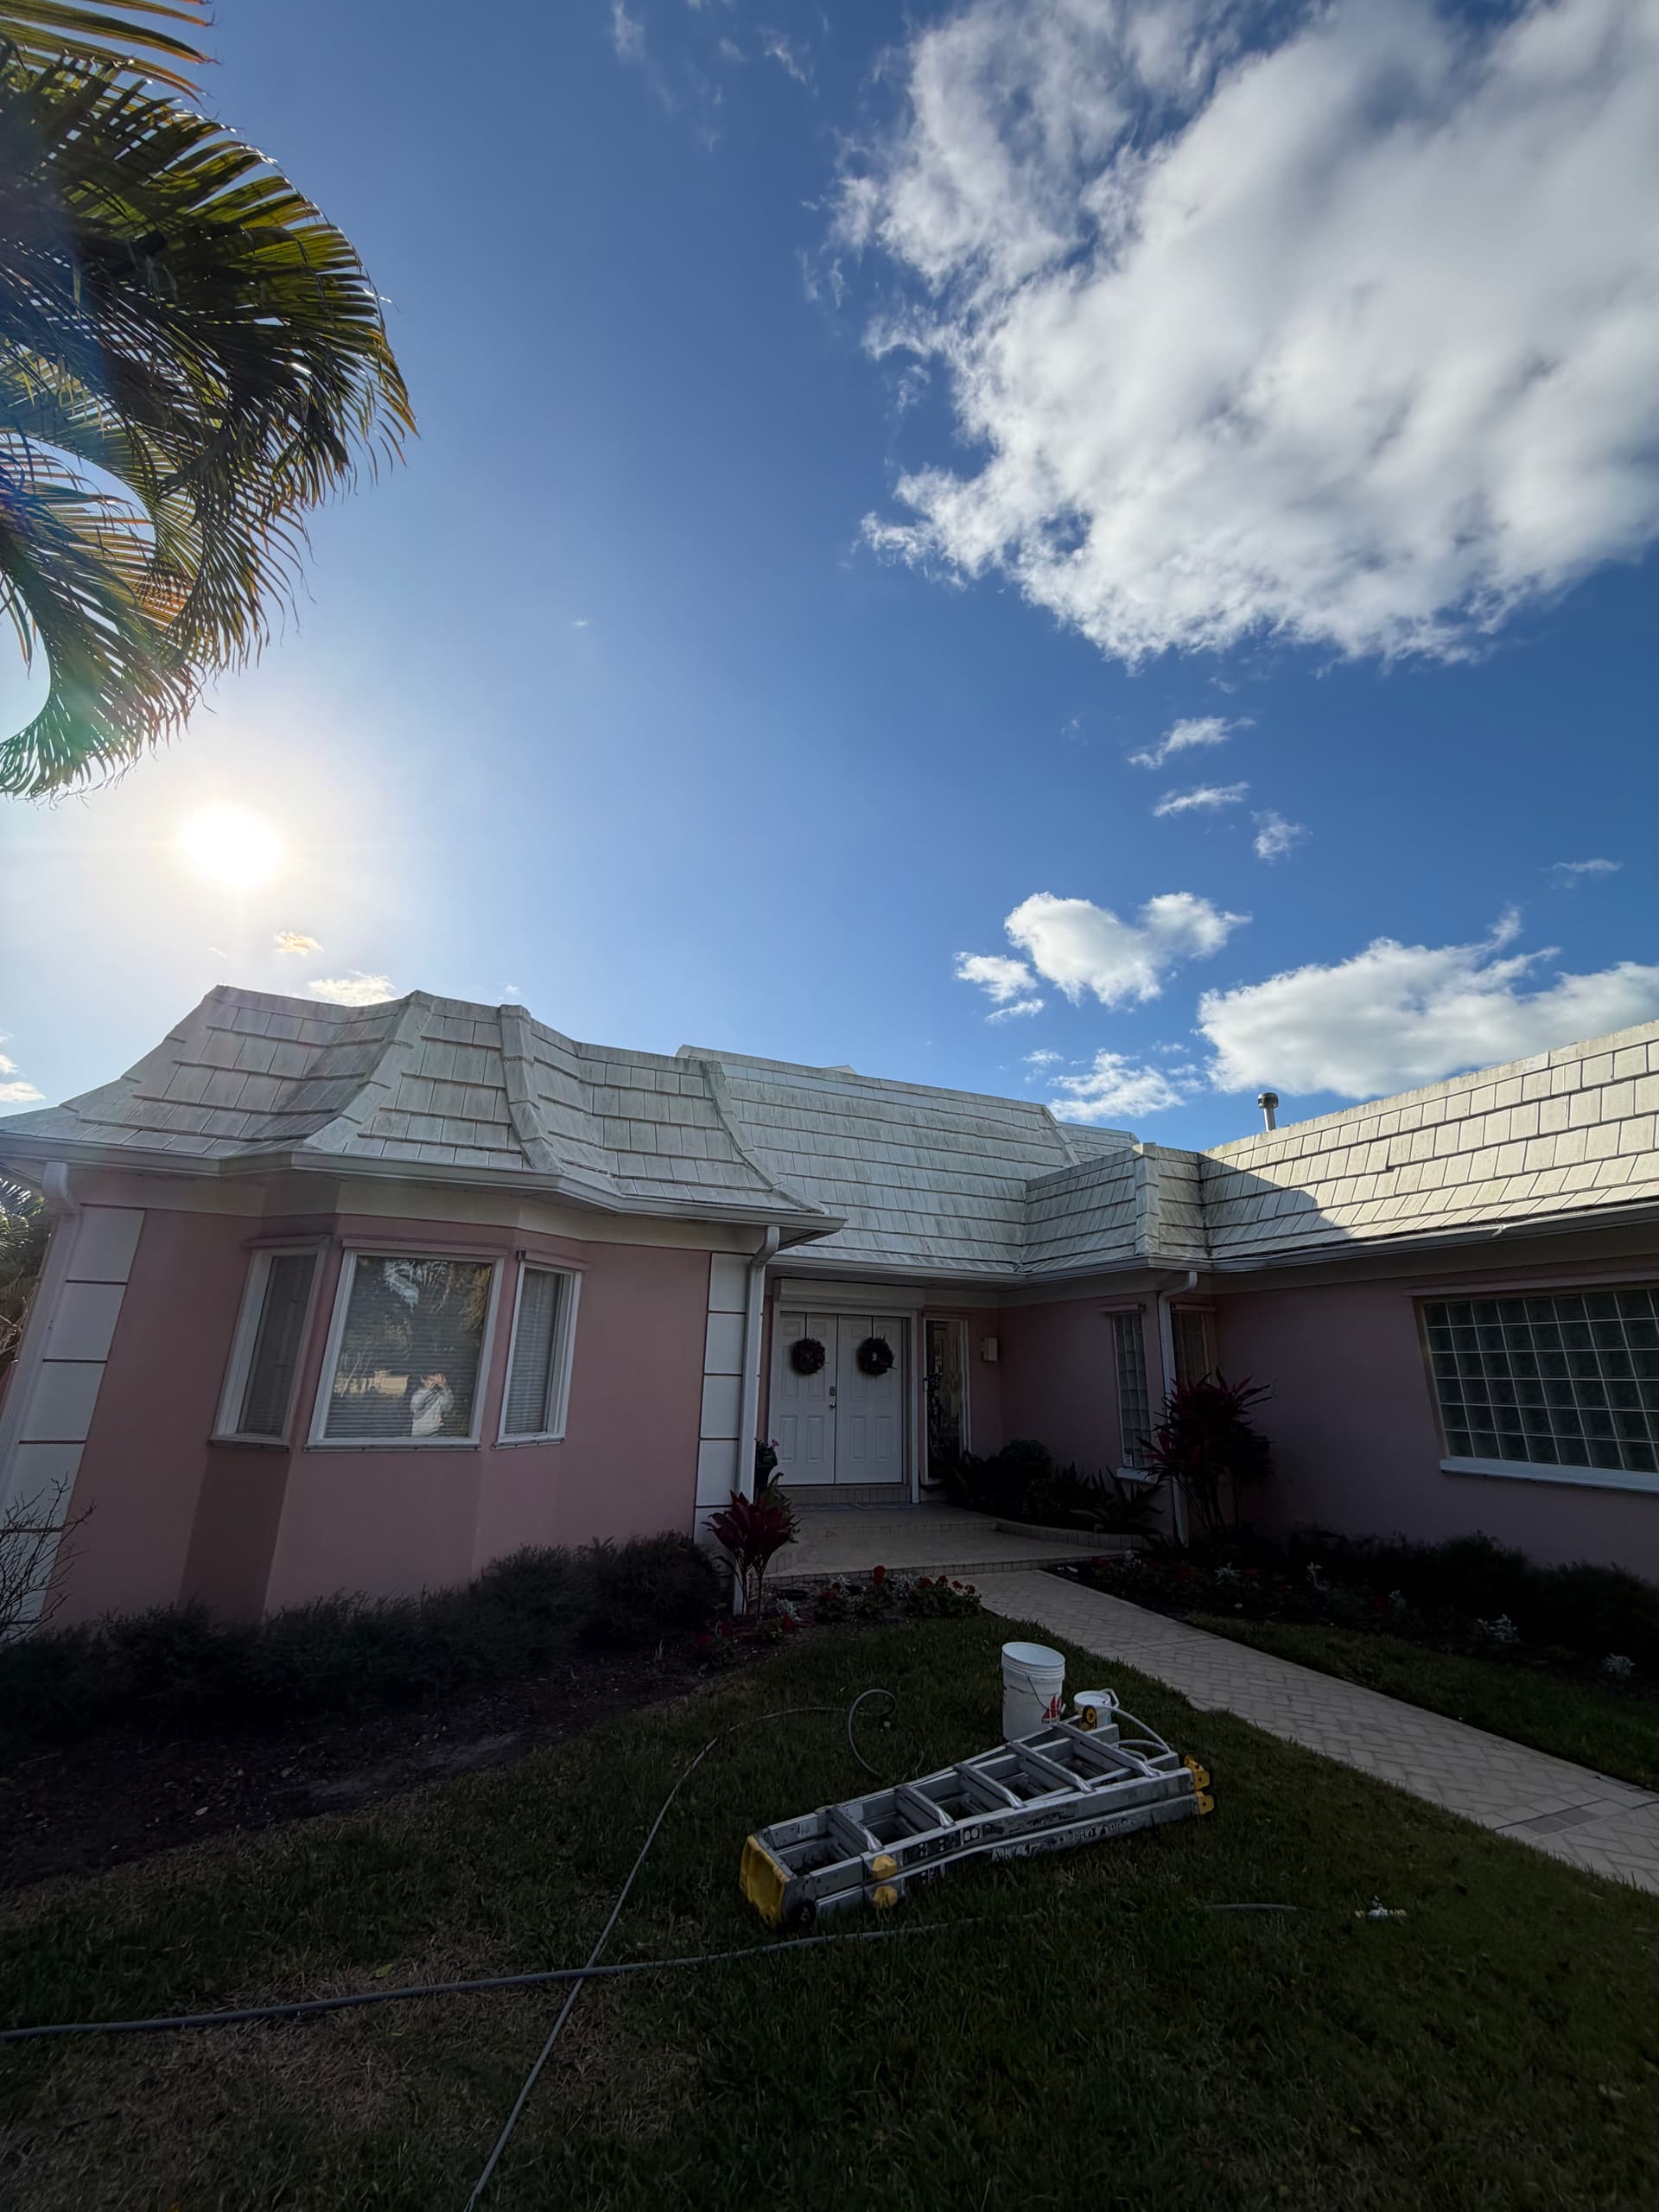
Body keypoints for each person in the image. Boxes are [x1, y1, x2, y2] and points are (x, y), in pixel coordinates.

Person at [410, 1370, 454, 1438]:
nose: (434, 1382)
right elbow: (415, 1408)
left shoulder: (439, 1394)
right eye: (431, 1380)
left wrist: (445, 1387)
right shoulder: (418, 1394)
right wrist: (428, 1390)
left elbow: (447, 1407)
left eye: (435, 1380)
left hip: (436, 1434)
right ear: (423, 1380)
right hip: (419, 1435)